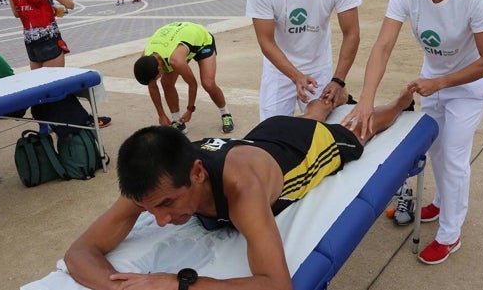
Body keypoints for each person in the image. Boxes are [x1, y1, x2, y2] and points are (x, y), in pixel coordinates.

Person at [62, 85, 414, 290]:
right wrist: (119, 288)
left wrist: (176, 284)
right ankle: (327, 99)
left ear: (198, 173)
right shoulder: (155, 181)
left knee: (357, 131)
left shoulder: (242, 191)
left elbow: (276, 284)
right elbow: (79, 252)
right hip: (262, 136)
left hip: (301, 151)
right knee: (305, 116)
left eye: (168, 204)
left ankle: (398, 103)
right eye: (150, 209)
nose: (160, 219)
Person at [342, 0, 483, 265]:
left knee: (455, 153)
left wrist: (442, 83)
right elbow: (383, 47)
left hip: (468, 86)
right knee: (435, 148)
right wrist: (367, 101)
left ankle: (449, 233)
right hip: (433, 81)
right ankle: (443, 202)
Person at [133, 22, 235, 134]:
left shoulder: (175, 60)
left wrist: (190, 110)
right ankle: (177, 121)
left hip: (201, 41)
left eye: (157, 76)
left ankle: (225, 113)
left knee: (208, 83)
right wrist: (161, 115)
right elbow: (152, 87)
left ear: (159, 66)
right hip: (178, 42)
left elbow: (192, 84)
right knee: (166, 82)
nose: (156, 79)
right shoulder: (146, 58)